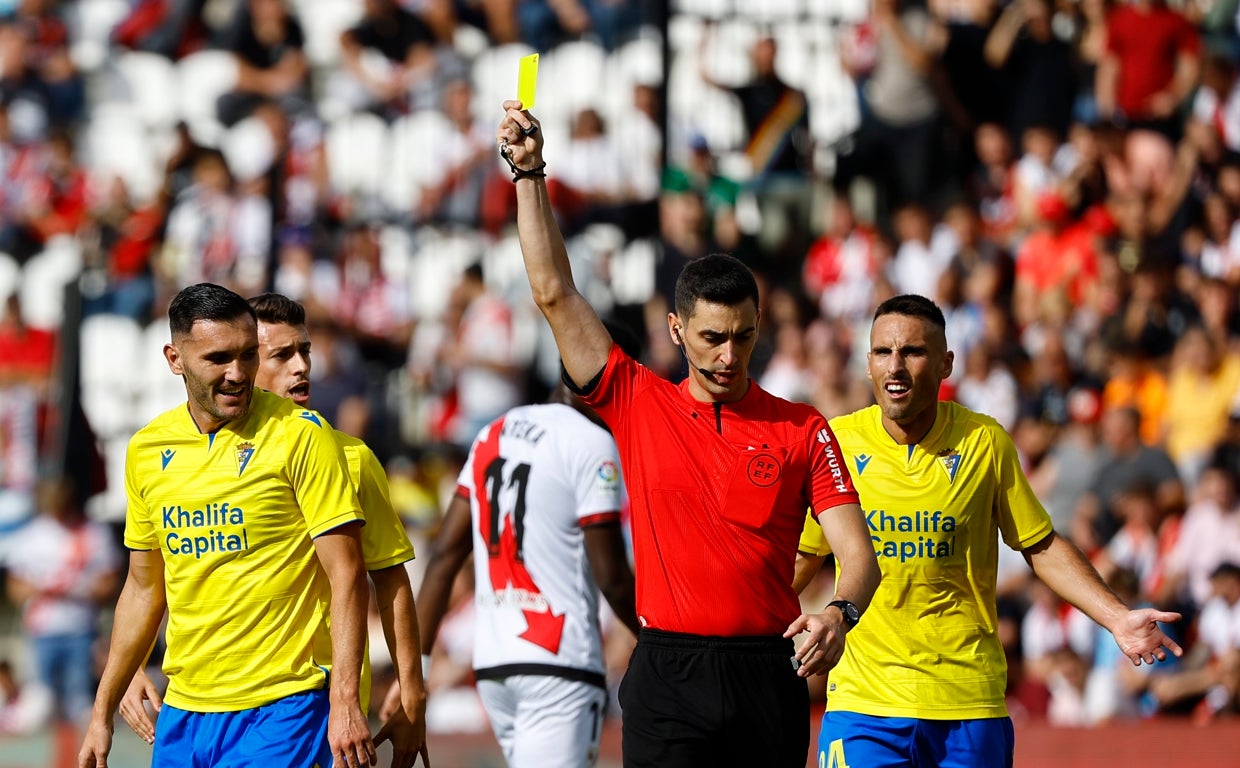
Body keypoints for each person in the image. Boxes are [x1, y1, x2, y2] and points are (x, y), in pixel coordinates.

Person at [496, 100, 882, 767]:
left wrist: (837, 615)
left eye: (743, 337)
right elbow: (555, 292)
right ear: (677, 330)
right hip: (668, 671)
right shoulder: (635, 399)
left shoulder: (802, 427)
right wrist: (530, 176)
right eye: (711, 338)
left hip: (770, 671)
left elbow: (860, 557)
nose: (728, 356)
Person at [794, 293, 1183, 768]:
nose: (895, 366)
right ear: (868, 363)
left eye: (913, 352)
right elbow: (802, 558)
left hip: (968, 705)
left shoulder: (985, 442)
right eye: (882, 352)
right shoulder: (836, 443)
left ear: (945, 364)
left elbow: (1039, 545)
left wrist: (1116, 618)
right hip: (864, 705)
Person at [116, 292, 430, 768]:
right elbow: (174, 579)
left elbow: (388, 580)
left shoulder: (346, 456)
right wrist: (132, 666)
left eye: (305, 351)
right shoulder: (174, 450)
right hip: (201, 705)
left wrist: (411, 692)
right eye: (282, 354)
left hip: (305, 703)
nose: (301, 366)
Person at [413, 322, 642, 768]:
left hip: (496, 663)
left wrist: (414, 672)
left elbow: (442, 556)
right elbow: (612, 577)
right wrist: (657, 644)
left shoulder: (496, 430)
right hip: (559, 666)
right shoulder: (593, 443)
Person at [6, 477, 120, 727]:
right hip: (41, 630)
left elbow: (111, 581)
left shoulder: (92, 532)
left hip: (81, 629)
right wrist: (41, 588)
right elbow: (14, 587)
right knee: (40, 704)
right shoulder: (32, 534)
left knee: (79, 705)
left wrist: (78, 588)